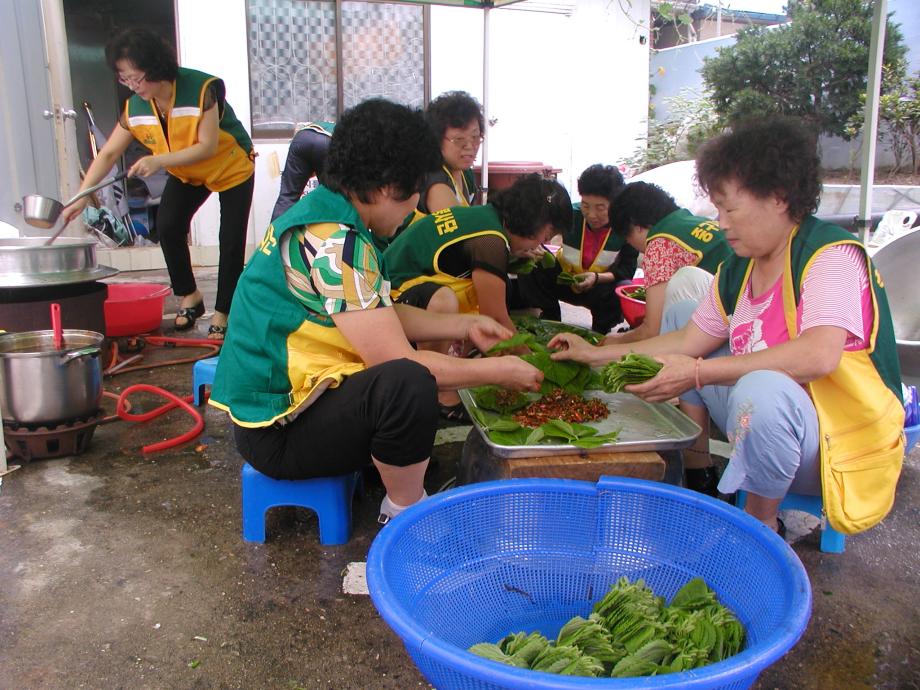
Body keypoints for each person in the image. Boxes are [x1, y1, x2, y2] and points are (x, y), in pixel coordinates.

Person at [549, 117, 904, 534]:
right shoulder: (742, 265)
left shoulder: (828, 255)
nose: (722, 223)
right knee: (685, 323)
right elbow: (686, 338)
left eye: (730, 208)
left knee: (761, 388)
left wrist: (698, 371)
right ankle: (701, 477)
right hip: (768, 426)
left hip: (836, 445)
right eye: (718, 209)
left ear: (779, 198)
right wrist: (594, 352)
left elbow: (818, 355)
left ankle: (761, 522)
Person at [209, 99, 543, 524]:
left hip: (291, 410)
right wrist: (501, 371)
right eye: (413, 196)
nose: (413, 209)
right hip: (278, 432)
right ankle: (405, 512)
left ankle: (393, 474)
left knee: (406, 382)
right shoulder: (335, 244)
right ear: (387, 187)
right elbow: (397, 360)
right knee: (408, 384)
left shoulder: (333, 215)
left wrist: (464, 323)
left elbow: (378, 313)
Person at [62, 28, 255, 340]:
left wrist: (158, 161)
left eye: (137, 78)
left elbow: (206, 146)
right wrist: (83, 196)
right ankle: (190, 298)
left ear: (157, 67)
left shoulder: (201, 89)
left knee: (230, 240)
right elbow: (110, 151)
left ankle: (224, 312)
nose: (133, 86)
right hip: (187, 171)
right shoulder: (135, 107)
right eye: (125, 79)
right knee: (168, 226)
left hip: (230, 165)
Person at [385, 174, 571, 419]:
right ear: (531, 221)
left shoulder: (488, 218)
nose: (540, 244)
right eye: (545, 237)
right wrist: (538, 367)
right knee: (445, 299)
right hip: (392, 299)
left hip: (399, 289)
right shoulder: (491, 241)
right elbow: (495, 318)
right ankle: (441, 393)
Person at [514, 164, 639, 335]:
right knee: (530, 264)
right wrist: (535, 249)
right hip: (565, 280)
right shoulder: (571, 213)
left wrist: (596, 278)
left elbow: (627, 269)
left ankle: (601, 330)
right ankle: (550, 317)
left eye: (600, 208)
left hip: (599, 287)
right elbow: (540, 233)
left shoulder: (626, 226)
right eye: (586, 205)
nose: (591, 214)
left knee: (623, 287)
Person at [607, 181, 733, 344]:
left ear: (636, 226)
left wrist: (616, 341)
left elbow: (652, 330)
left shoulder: (659, 243)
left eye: (627, 237)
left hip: (732, 322)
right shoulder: (690, 221)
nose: (632, 245)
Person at [270, 121, 334, 222]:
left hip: (302, 138)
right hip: (328, 142)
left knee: (287, 197)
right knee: (332, 198)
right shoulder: (349, 137)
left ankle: (273, 235)